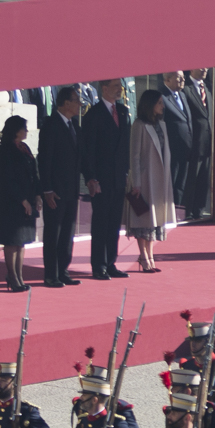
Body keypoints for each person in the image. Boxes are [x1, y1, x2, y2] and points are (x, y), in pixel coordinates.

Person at [80, 77, 133, 280]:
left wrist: (127, 173)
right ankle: (98, 265)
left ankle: (111, 262)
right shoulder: (94, 115)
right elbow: (89, 150)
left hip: (119, 177)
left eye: (120, 87)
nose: (119, 90)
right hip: (101, 179)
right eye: (115, 87)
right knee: (101, 222)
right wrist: (91, 178)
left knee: (113, 223)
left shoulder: (123, 111)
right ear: (104, 89)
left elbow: (125, 146)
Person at [37, 85, 84, 288]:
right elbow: (45, 160)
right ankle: (51, 274)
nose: (80, 104)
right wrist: (46, 189)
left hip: (71, 189)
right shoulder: (51, 125)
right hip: (55, 191)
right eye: (76, 100)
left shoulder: (74, 126)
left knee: (67, 233)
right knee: (53, 233)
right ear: (66, 103)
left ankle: (63, 270)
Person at [127, 88, 177, 274]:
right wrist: (137, 182)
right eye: (159, 103)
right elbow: (135, 156)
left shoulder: (161, 124)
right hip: (145, 179)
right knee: (144, 218)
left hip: (160, 178)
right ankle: (144, 256)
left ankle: (151, 256)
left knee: (155, 219)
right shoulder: (139, 125)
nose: (162, 106)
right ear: (150, 105)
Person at [0, 115, 40, 293]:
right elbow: (7, 179)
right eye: (24, 128)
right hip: (10, 202)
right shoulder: (4, 151)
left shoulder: (24, 148)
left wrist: (37, 196)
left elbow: (34, 173)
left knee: (22, 241)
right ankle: (12, 276)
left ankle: (19, 276)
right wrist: (22, 200)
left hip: (27, 198)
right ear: (15, 130)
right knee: (11, 240)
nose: (27, 131)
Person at [153, 70, 192, 209]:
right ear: (168, 79)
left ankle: (177, 210)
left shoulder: (182, 95)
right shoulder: (161, 97)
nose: (183, 80)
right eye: (179, 77)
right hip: (171, 150)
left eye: (183, 77)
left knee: (180, 185)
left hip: (185, 150)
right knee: (170, 183)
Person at [181, 68, 212, 217]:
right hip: (193, 142)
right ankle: (187, 209)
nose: (205, 69)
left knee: (204, 179)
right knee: (191, 178)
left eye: (207, 67)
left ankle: (199, 210)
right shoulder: (186, 89)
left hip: (207, 142)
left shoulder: (207, 88)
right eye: (201, 67)